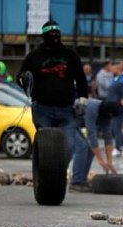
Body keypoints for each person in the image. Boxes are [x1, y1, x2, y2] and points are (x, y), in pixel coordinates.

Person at [17, 20, 88, 160]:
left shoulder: (69, 55)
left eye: (57, 33)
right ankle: (45, 175)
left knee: (69, 146)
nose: (54, 36)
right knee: (47, 148)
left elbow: (81, 77)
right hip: (43, 109)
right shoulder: (34, 56)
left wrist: (83, 97)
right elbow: (19, 77)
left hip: (67, 109)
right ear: (44, 36)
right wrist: (24, 79)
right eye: (51, 34)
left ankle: (58, 174)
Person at [70, 100, 123, 192]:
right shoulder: (92, 109)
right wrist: (101, 160)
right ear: (109, 112)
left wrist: (109, 162)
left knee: (90, 150)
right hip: (67, 124)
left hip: (76, 126)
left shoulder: (106, 115)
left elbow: (108, 137)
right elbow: (92, 135)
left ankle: (82, 180)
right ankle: (76, 182)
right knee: (82, 147)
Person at [106, 60, 123, 155]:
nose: (111, 70)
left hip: (117, 107)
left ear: (117, 69)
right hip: (111, 106)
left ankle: (118, 147)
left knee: (117, 127)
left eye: (113, 68)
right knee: (114, 127)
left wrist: (119, 106)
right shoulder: (114, 79)